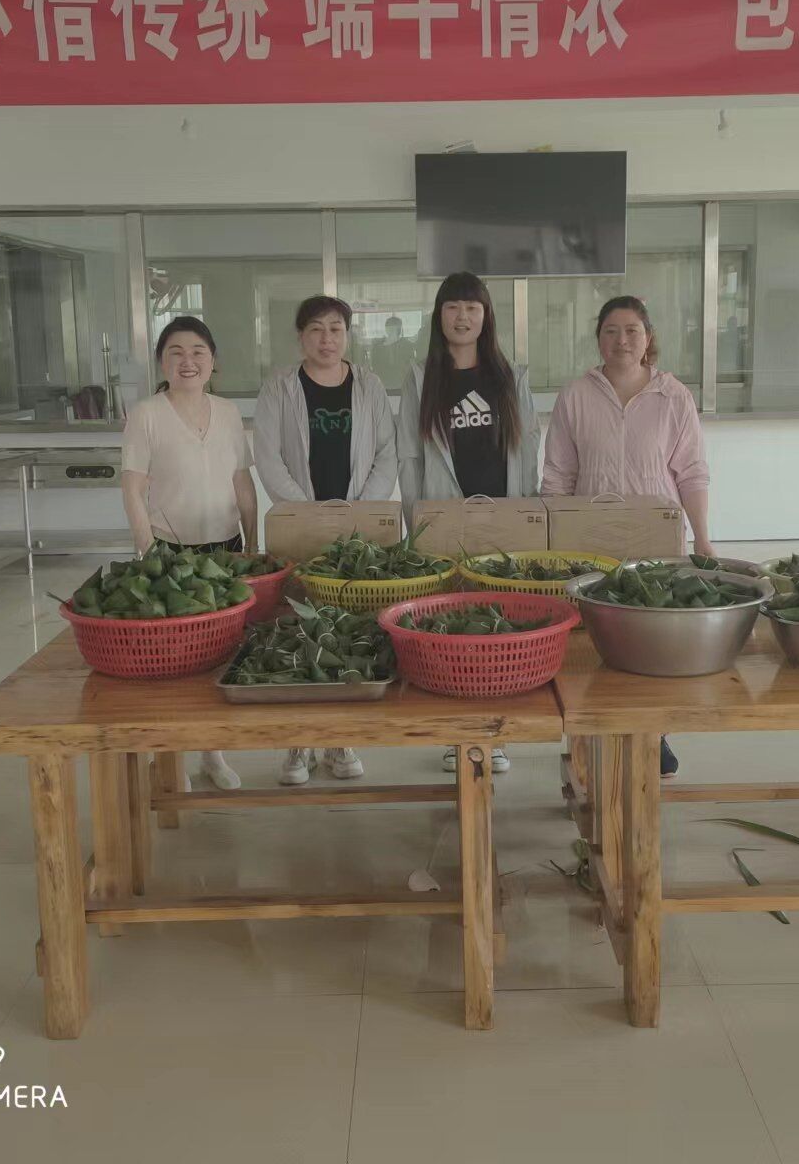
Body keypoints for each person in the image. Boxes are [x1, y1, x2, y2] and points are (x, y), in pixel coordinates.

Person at [541, 295, 713, 779]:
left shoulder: (673, 397)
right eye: (611, 331)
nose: (622, 340)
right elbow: (557, 475)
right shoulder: (576, 395)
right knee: (588, 642)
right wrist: (554, 543)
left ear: (648, 338)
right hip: (588, 540)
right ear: (599, 339)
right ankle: (587, 736)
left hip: (654, 540)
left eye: (632, 330)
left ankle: (654, 734)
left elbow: (692, 472)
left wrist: (702, 539)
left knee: (652, 642)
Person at [398, 271, 539, 777]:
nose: (463, 317)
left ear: (486, 316)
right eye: (453, 307)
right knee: (449, 630)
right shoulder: (422, 379)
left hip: (501, 518)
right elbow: (409, 458)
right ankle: (457, 734)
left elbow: (528, 452)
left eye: (473, 308)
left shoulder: (510, 376)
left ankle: (494, 733)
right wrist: (417, 524)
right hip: (444, 518)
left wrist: (525, 516)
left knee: (498, 627)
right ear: (439, 316)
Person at [253, 294, 398, 786]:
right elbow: (268, 456)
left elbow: (387, 454)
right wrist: (308, 513)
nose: (326, 339)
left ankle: (340, 740)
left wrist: (357, 512)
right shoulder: (279, 388)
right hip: (300, 525)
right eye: (316, 329)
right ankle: (298, 743)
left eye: (336, 328)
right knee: (297, 627)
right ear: (301, 336)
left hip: (358, 525)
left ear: (348, 335)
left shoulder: (369, 386)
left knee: (348, 631)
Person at [120, 316, 256, 792]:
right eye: (175, 352)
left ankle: (211, 753)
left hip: (225, 547)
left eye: (198, 351)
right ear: (162, 362)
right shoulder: (146, 414)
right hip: (170, 554)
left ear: (213, 361)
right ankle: (171, 756)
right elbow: (133, 488)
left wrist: (252, 545)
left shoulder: (229, 413)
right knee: (174, 661)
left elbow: (242, 482)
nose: (188, 361)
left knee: (221, 654)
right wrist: (148, 550)